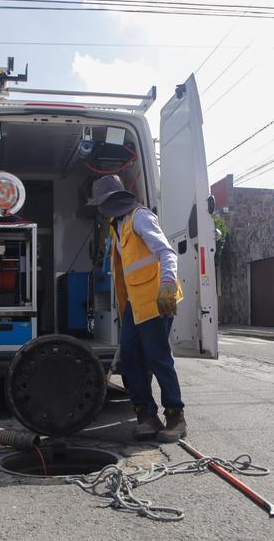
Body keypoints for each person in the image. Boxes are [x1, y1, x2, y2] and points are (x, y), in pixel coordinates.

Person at [88, 175, 187, 442]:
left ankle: (175, 416)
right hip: (135, 303)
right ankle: (146, 415)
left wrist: (167, 284)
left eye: (102, 203)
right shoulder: (117, 225)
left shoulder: (140, 217)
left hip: (157, 298)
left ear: (113, 201)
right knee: (130, 357)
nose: (100, 209)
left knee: (157, 357)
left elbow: (166, 253)